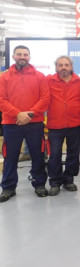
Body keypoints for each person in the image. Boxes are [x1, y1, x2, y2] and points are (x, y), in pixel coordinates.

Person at [0, 45, 50, 202]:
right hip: (11, 123)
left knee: (37, 155)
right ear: (14, 56)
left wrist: (28, 114)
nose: (23, 56)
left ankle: (39, 184)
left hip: (34, 124)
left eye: (25, 54)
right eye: (19, 54)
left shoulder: (40, 76)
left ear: (30, 57)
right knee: (10, 157)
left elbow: (45, 99)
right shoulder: (4, 77)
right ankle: (8, 188)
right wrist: (18, 114)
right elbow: (1, 100)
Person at [46, 56, 80, 196]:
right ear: (56, 67)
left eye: (66, 65)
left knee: (73, 154)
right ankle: (55, 182)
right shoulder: (48, 81)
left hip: (75, 125)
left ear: (71, 66)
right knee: (54, 155)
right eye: (60, 65)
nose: (63, 67)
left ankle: (69, 180)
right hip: (55, 125)